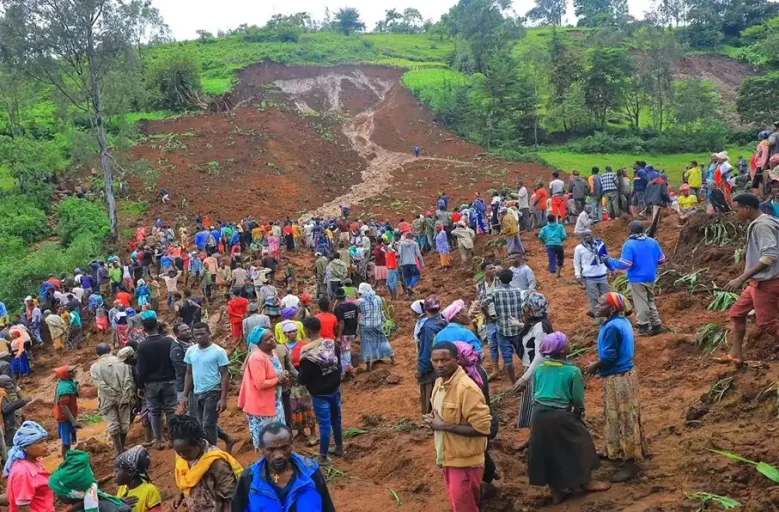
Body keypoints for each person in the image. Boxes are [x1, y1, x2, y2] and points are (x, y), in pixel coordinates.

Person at [527, 333, 609, 504]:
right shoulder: (572, 371)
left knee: (546, 451)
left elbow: (536, 392)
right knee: (582, 443)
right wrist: (578, 413)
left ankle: (556, 491)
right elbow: (577, 399)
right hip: (560, 414)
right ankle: (586, 482)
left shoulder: (540, 368)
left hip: (538, 414)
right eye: (568, 343)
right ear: (563, 350)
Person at [423, 342, 492, 512]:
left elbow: (483, 428)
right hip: (449, 457)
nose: (440, 365)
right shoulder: (439, 382)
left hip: (466, 464)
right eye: (436, 360)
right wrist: (434, 422)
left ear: (457, 360)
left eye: (445, 360)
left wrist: (443, 426)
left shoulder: (467, 389)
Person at [586, 293, 648, 482]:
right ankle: (618, 450)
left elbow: (609, 356)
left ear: (612, 309)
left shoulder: (612, 327)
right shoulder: (621, 321)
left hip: (618, 377)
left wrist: (595, 365)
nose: (597, 305)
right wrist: (598, 315)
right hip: (626, 374)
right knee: (626, 414)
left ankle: (630, 464)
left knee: (622, 418)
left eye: (601, 304)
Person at [719, 194, 779, 364]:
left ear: (747, 208)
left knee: (767, 324)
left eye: (736, 210)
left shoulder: (762, 226)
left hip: (767, 282)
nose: (735, 213)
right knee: (737, 313)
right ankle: (735, 354)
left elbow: (769, 256)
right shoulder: (768, 220)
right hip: (758, 282)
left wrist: (741, 278)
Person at [231, 422, 336, 512]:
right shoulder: (249, 479)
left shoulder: (311, 473)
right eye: (271, 449)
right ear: (261, 449)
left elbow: (327, 507)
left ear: (291, 444)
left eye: (284, 447)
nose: (278, 455)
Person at [178, 323, 236, 453]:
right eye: (196, 334)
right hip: (197, 392)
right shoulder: (191, 351)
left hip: (213, 391)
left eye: (202, 334)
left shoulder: (218, 352)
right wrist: (185, 395)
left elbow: (224, 374)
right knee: (201, 424)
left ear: (209, 333)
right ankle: (227, 439)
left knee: (208, 425)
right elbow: (189, 373)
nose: (199, 337)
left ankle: (211, 453)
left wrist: (223, 398)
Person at [170, 415, 243, 512]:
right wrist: (181, 494)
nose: (182, 455)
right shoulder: (182, 457)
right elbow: (187, 480)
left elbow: (231, 494)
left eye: (187, 451)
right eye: (178, 452)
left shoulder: (216, 462)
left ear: (199, 442)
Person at [608, 221, 666, 336]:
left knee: (641, 302)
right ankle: (656, 324)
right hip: (651, 276)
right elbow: (661, 260)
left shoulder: (629, 244)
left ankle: (643, 326)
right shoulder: (652, 242)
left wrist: (610, 261)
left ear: (630, 231)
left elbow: (625, 264)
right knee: (650, 300)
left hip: (637, 278)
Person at [299, 317, 343, 462]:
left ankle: (323, 456)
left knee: (324, 424)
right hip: (335, 388)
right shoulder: (332, 344)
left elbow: (303, 378)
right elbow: (339, 364)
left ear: (307, 331)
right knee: (336, 419)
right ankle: (339, 447)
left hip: (319, 393)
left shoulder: (307, 353)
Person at [238, 328, 287, 450]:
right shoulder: (257, 357)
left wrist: (283, 376)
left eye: (272, 336)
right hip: (261, 407)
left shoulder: (273, 353)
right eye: (267, 339)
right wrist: (279, 379)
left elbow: (276, 373)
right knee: (266, 440)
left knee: (278, 436)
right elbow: (260, 384)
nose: (272, 340)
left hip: (275, 402)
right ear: (259, 343)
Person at [135, 311, 177, 450]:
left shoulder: (142, 346)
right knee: (171, 410)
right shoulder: (169, 341)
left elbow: (141, 369)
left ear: (144, 329)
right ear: (157, 325)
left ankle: (158, 440)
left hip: (151, 384)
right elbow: (175, 361)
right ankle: (172, 438)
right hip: (170, 381)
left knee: (154, 412)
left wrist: (140, 386)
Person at [90, 344, 135, 455]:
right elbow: (128, 380)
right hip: (123, 397)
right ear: (110, 350)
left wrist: (112, 394)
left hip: (106, 399)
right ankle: (122, 446)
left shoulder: (95, 367)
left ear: (97, 354)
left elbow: (100, 385)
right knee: (124, 423)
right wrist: (123, 395)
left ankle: (118, 450)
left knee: (113, 424)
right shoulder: (122, 362)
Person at [480, 268, 522, 383]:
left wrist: (489, 317)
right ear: (512, 278)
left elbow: (482, 304)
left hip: (502, 329)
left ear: (499, 278)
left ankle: (514, 382)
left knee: (507, 359)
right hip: (517, 327)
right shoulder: (518, 291)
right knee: (522, 353)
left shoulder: (495, 292)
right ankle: (527, 375)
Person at [280, 321, 317, 447]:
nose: (292, 334)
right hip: (289, 382)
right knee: (293, 406)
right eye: (289, 332)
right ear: (285, 333)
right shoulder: (282, 347)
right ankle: (300, 431)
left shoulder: (304, 345)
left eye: (294, 331)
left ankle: (312, 433)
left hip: (302, 379)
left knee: (306, 404)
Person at [3, 421, 54, 512]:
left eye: (45, 440)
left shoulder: (35, 462)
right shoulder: (22, 472)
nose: (46, 444)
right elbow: (23, 508)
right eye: (40, 442)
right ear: (25, 447)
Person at [416, 296, 449, 415]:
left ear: (425, 310)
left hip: (432, 366)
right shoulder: (444, 320)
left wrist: (421, 369)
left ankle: (431, 419)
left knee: (430, 394)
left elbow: (426, 349)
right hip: (447, 361)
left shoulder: (428, 327)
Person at [574, 230, 612, 320]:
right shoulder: (579, 248)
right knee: (594, 298)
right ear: (582, 237)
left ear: (592, 235)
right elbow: (576, 263)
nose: (587, 237)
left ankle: (608, 316)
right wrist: (578, 275)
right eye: (585, 235)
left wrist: (611, 268)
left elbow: (606, 257)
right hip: (589, 277)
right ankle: (598, 318)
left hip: (602, 275)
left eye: (589, 235)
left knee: (606, 297)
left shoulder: (600, 245)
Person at [357, 283, 395, 371]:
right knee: (383, 342)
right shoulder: (378, 298)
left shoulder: (359, 301)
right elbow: (380, 311)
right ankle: (393, 359)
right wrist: (384, 320)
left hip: (366, 326)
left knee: (367, 346)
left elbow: (359, 314)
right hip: (377, 324)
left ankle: (368, 367)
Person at [114, 446, 163, 512]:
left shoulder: (150, 490)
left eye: (116, 471)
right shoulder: (123, 488)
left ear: (130, 472)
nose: (113, 474)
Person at [53, 365, 80, 458]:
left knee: (68, 439)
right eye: (71, 371)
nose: (74, 373)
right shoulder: (64, 388)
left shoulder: (67, 383)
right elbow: (64, 406)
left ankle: (68, 458)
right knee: (66, 442)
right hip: (65, 418)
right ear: (66, 374)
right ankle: (65, 460)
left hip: (67, 417)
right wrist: (73, 421)